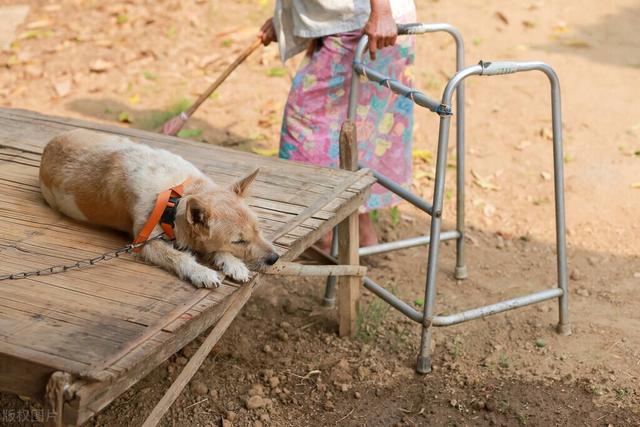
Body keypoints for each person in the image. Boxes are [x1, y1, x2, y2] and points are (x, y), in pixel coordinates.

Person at [259, 0, 417, 248]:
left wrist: (382, 10)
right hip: (351, 20)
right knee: (354, 130)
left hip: (366, 24)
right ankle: (359, 235)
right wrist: (287, 18)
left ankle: (324, 231)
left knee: (306, 126)